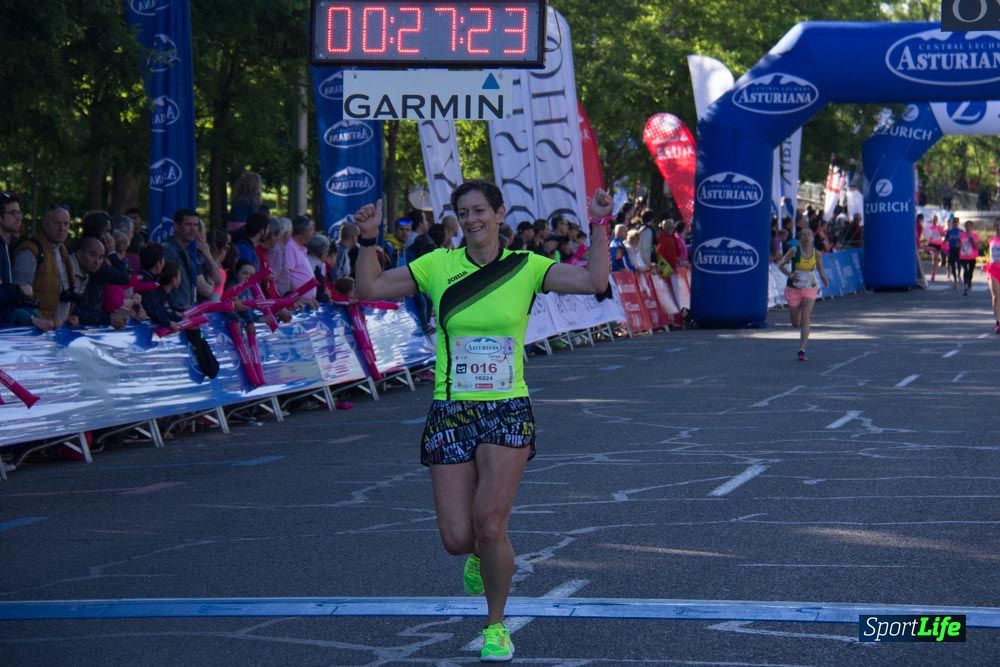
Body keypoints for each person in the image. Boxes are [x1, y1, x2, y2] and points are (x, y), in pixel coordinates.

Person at [354, 180, 612, 663]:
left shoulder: (525, 267)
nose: (472, 219)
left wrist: (599, 224)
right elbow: (369, 288)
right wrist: (370, 242)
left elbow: (595, 283)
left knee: (491, 524)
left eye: (479, 210)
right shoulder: (438, 266)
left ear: (499, 213)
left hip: (507, 408)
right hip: (451, 408)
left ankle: (496, 625)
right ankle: (480, 557)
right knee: (458, 538)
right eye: (463, 211)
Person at [779, 228, 828, 361]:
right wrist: (790, 274)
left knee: (806, 317)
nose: (806, 237)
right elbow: (780, 265)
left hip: (809, 288)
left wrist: (824, 279)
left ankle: (802, 349)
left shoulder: (817, 254)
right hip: (793, 289)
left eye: (809, 234)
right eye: (804, 235)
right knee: (796, 323)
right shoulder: (794, 251)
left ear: (812, 238)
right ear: (800, 238)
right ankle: (798, 310)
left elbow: (820, 269)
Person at [958, 220, 981, 296]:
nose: (967, 227)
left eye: (969, 226)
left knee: (970, 271)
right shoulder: (961, 235)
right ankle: (966, 286)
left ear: (972, 227)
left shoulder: (975, 235)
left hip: (972, 256)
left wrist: (972, 241)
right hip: (963, 256)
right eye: (966, 226)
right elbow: (959, 244)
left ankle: (969, 282)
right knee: (966, 270)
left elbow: (976, 246)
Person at [986, 219, 1000, 334]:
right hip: (993, 270)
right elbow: (990, 256)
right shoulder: (991, 240)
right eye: (997, 225)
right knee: (996, 297)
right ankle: (998, 322)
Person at [944, 217, 962, 289]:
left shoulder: (961, 231)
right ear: (952, 223)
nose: (955, 223)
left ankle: (959, 275)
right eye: (954, 222)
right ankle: (955, 281)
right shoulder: (949, 231)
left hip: (959, 250)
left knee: (959, 264)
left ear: (958, 223)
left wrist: (960, 243)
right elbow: (945, 241)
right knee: (953, 265)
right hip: (952, 249)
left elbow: (964, 241)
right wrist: (949, 239)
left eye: (956, 222)